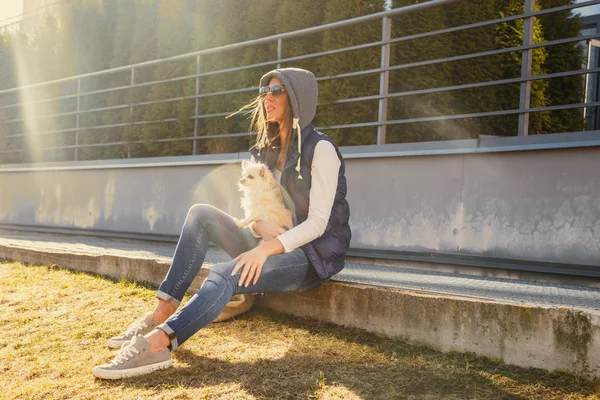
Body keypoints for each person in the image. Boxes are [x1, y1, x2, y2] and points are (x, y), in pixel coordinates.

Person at [92, 67, 351, 380]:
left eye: (277, 91)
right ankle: (158, 316)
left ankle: (159, 343)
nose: (267, 97)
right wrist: (258, 231)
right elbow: (257, 214)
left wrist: (264, 249)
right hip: (270, 244)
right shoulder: (266, 152)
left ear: (299, 99)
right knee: (201, 214)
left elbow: (319, 223)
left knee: (224, 273)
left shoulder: (320, 149)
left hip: (309, 257)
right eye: (265, 91)